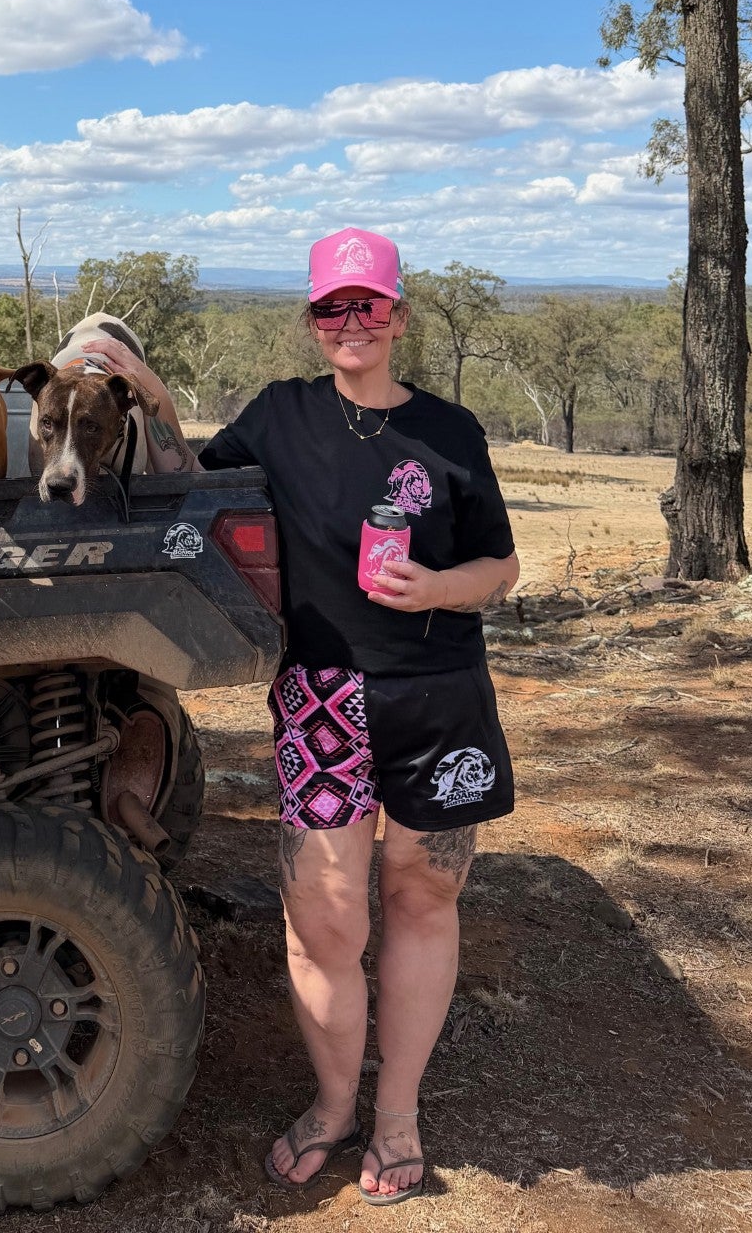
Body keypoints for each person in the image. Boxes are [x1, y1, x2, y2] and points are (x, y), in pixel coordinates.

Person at [94, 228, 519, 1206]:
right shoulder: (280, 418)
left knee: (420, 898)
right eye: (334, 306)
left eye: (371, 304)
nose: (353, 321)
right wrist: (147, 387)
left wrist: (440, 587)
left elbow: (502, 569)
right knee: (323, 921)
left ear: (400, 315)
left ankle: (398, 1113)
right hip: (322, 697)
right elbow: (197, 477)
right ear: (314, 320)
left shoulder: (452, 433)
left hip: (440, 694)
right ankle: (334, 1106)